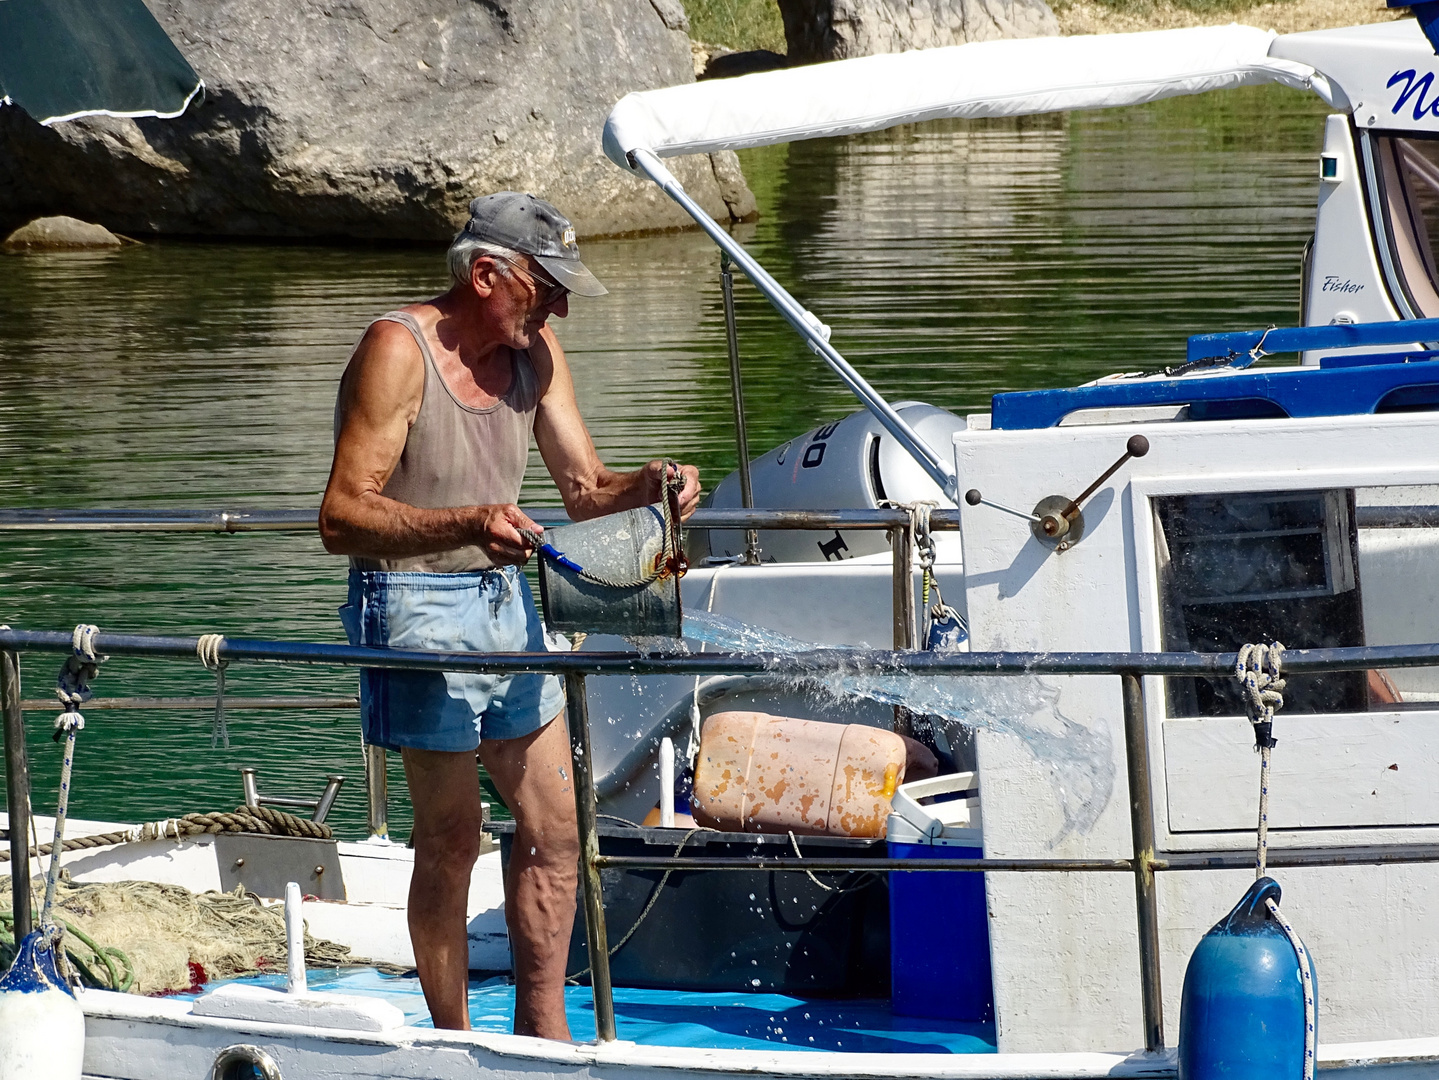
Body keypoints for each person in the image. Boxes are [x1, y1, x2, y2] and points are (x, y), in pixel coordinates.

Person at [319, 191, 701, 1039]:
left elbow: (585, 492)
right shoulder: (397, 348)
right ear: (486, 274)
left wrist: (652, 486)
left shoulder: (539, 351)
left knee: (557, 830)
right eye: (548, 285)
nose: (560, 303)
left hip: (505, 603)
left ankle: (545, 1033)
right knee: (450, 839)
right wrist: (466, 523)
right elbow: (342, 516)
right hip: (411, 605)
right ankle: (452, 1042)